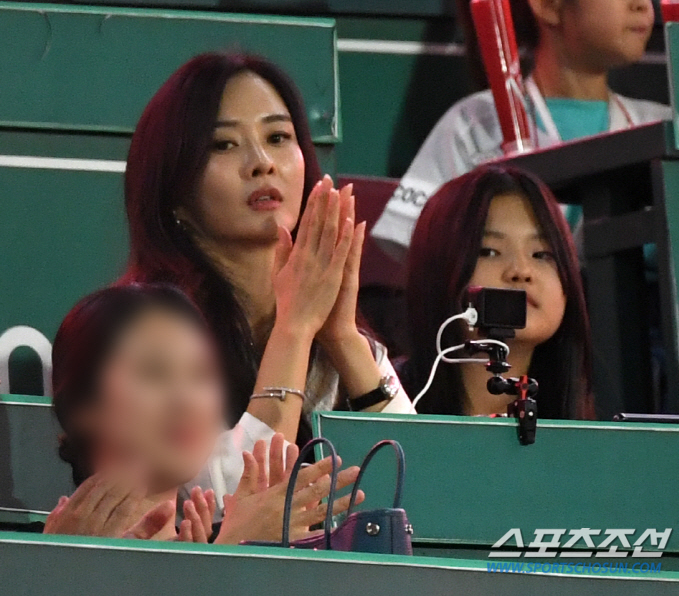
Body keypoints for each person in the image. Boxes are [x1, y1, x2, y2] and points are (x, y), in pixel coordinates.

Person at [119, 52, 414, 508]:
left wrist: (344, 339)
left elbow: (427, 491)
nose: (261, 163)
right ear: (174, 190)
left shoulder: (332, 334)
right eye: (223, 145)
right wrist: (294, 329)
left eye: (278, 137)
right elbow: (221, 504)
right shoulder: (144, 332)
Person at [44, 284, 363, 543]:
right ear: (82, 405)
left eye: (201, 375)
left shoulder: (250, 538)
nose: (187, 400)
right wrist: (231, 557)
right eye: (153, 372)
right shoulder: (36, 566)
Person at [372, 0, 671, 261]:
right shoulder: (475, 123)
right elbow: (422, 250)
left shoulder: (667, 127)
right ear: (548, 4)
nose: (643, 5)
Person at [400, 165, 594, 420]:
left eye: (542, 254)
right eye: (489, 252)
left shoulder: (585, 435)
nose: (521, 271)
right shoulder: (382, 396)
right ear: (437, 271)